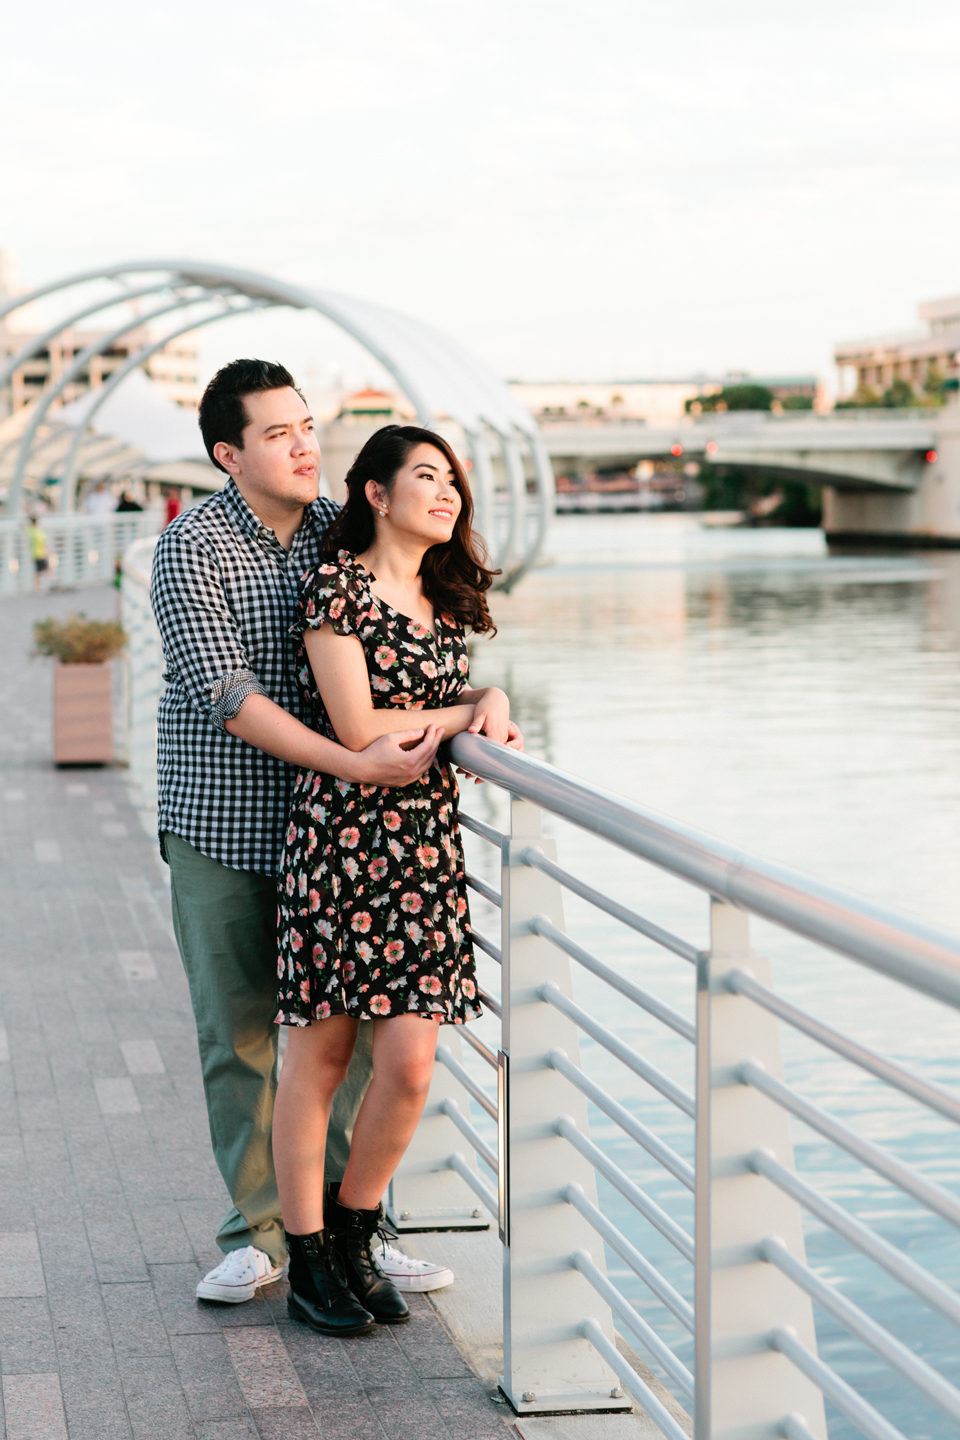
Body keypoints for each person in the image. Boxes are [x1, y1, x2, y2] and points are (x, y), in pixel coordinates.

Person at [150, 362, 509, 1305]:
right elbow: (229, 694)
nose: (305, 445)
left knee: (350, 1043)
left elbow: (413, 629)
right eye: (278, 434)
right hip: (226, 820)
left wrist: (480, 698)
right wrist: (353, 760)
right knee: (241, 1035)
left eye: (307, 427)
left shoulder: (334, 534)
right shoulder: (192, 549)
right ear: (230, 454)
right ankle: (259, 1235)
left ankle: (354, 1226)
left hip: (344, 836)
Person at [272, 424, 511, 1335]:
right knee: (322, 1057)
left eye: (451, 480)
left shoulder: (448, 597)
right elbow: (360, 723)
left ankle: (355, 1229)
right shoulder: (339, 588)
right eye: (424, 477)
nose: (445, 493)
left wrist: (483, 699)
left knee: (410, 1062)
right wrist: (474, 706)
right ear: (375, 494)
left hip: (422, 849)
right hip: (341, 839)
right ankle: (308, 1258)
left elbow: (432, 720)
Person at [27, 513, 49, 590]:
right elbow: (44, 543)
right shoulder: (37, 531)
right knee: (45, 569)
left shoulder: (32, 530)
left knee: (38, 572)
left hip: (36, 554)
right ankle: (49, 584)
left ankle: (37, 587)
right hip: (40, 554)